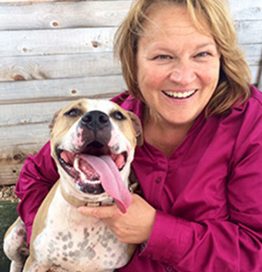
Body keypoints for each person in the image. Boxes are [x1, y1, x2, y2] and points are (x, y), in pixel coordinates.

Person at [15, 0, 262, 271]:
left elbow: (256, 251)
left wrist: (155, 230)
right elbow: (35, 176)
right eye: (162, 56)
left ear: (222, 57)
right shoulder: (111, 123)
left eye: (202, 54)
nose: (182, 76)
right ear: (134, 62)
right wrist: (44, 237)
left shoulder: (251, 126)